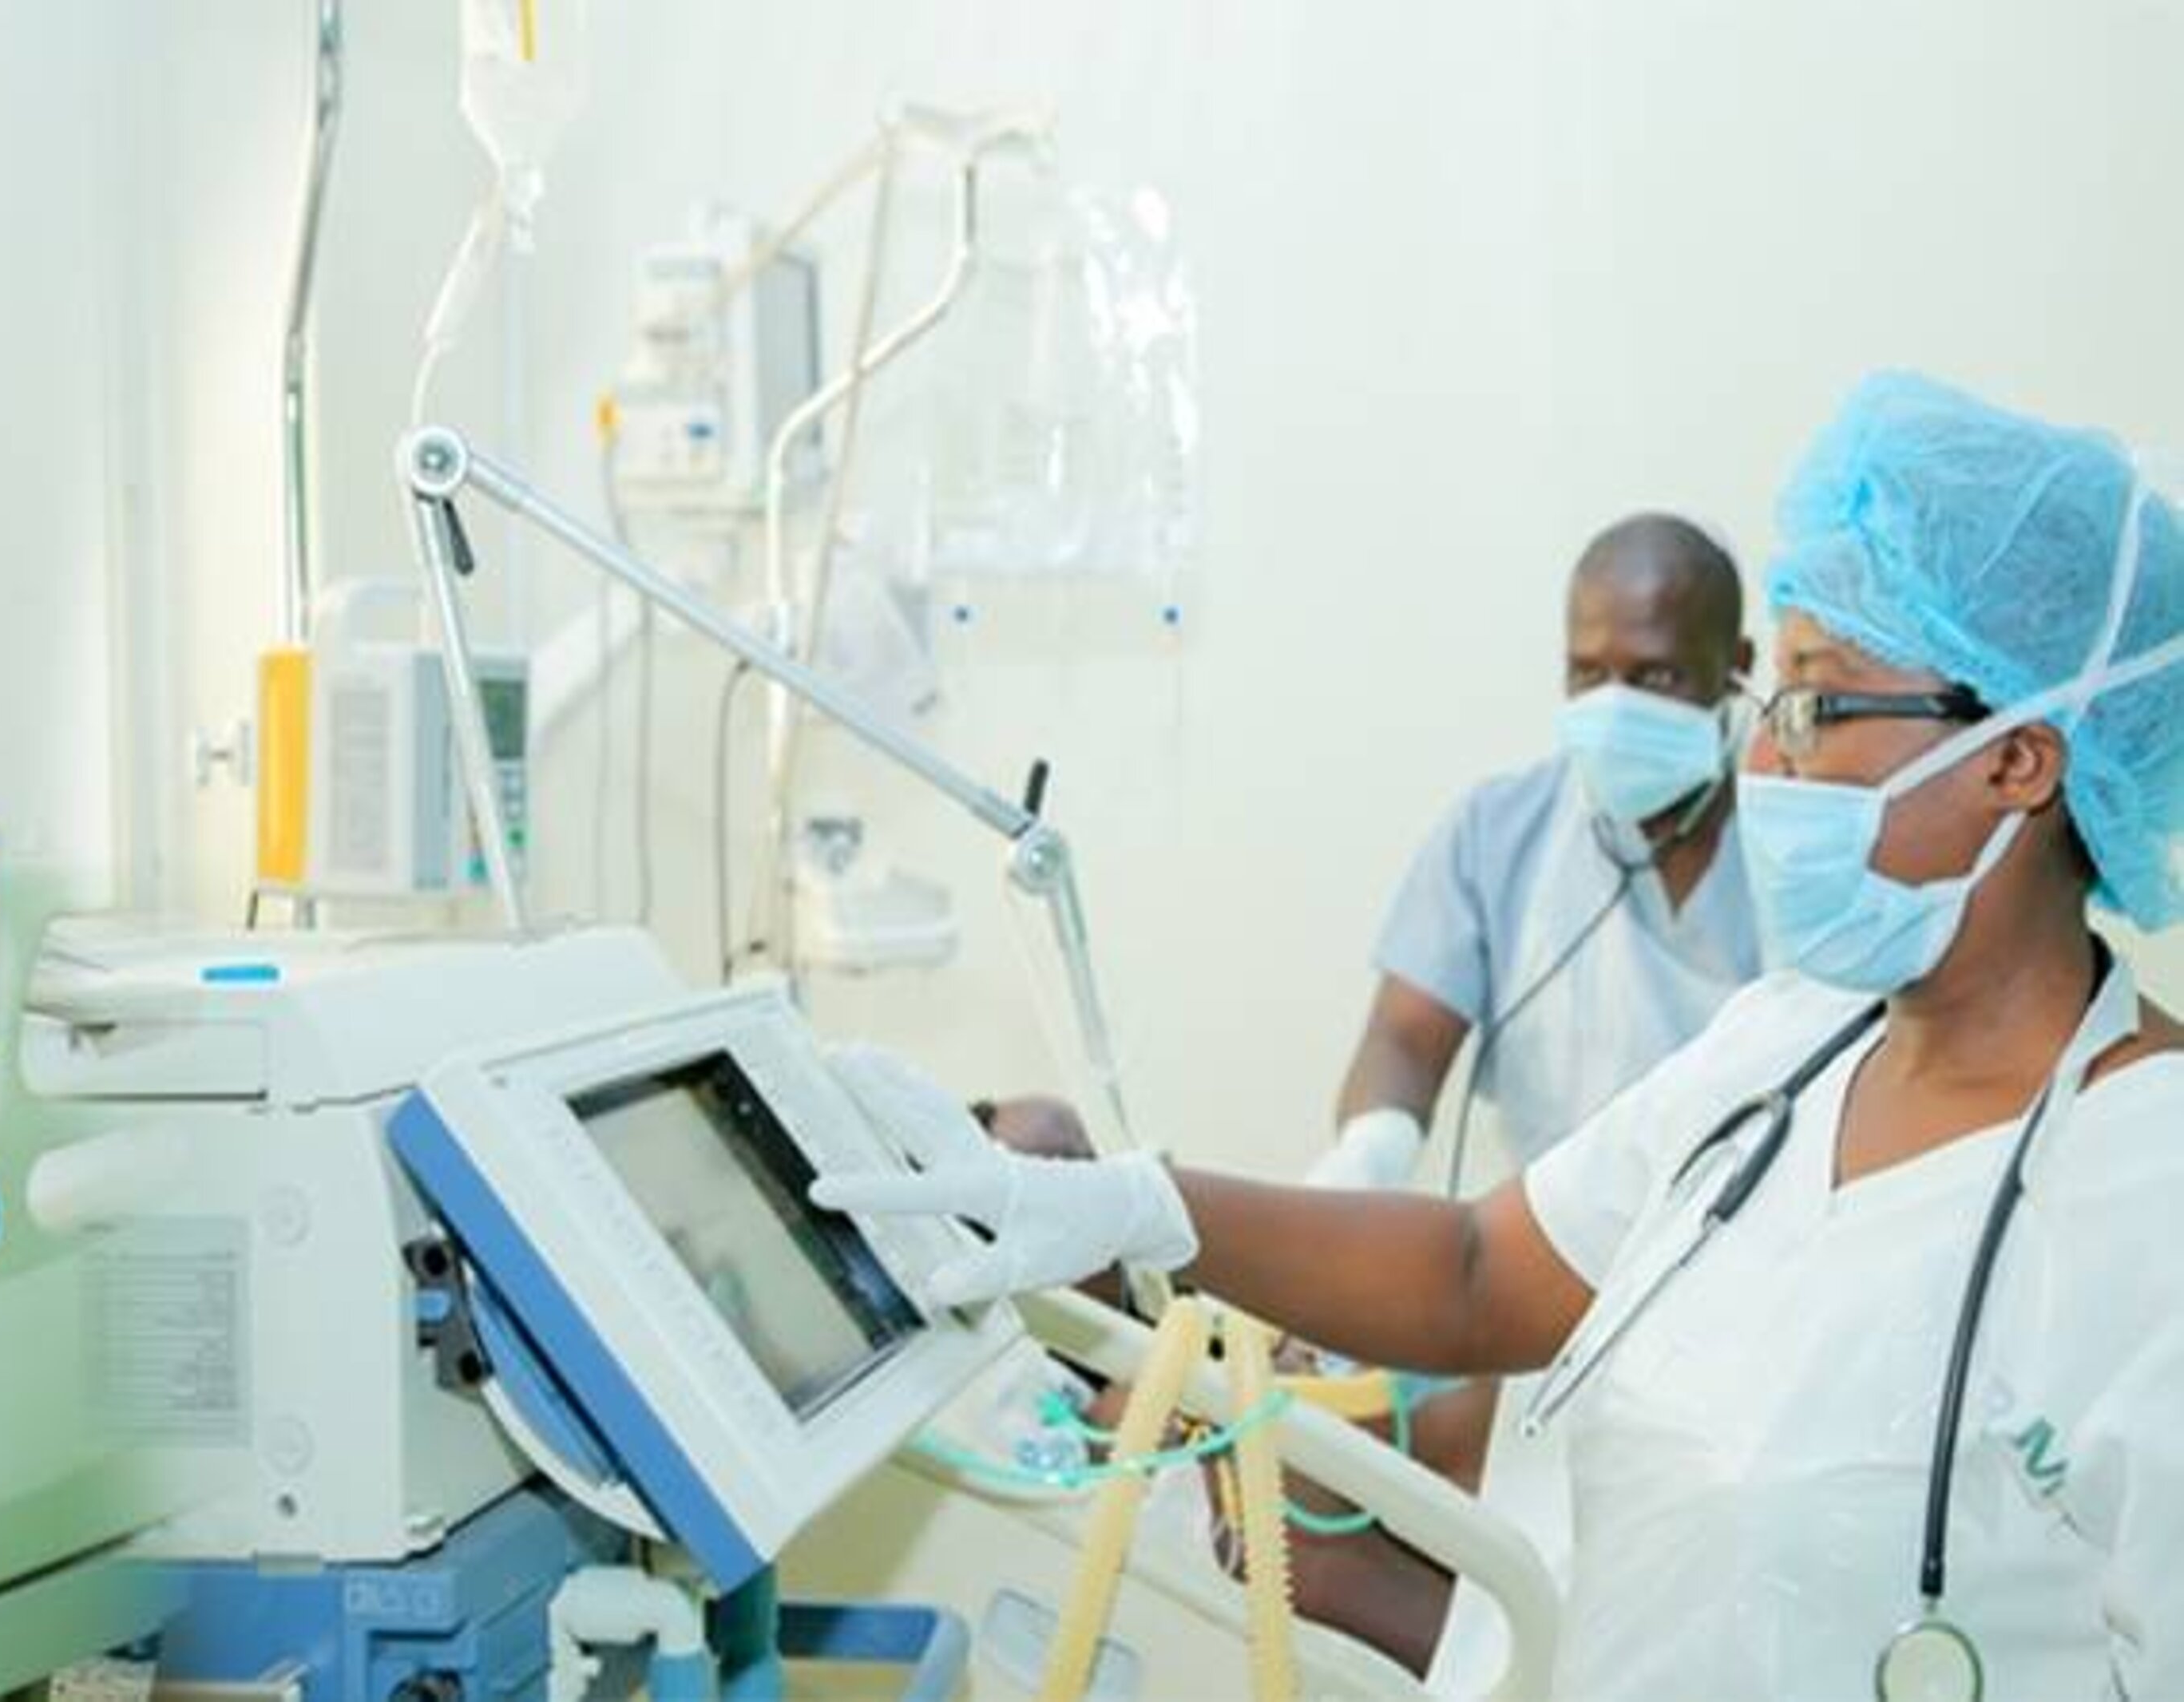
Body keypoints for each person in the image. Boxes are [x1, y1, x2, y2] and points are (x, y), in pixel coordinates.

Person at [819, 371, 2184, 1699]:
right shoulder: (1788, 1048)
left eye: (1818, 704)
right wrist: (1128, 1206)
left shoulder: (2150, 1190)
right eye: (1775, 705)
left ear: (2019, 759)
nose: (1766, 761)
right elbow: (1476, 1271)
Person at [1322, 513, 1759, 1193]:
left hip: (1744, 1235)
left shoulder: (1797, 848)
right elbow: (1404, 1039)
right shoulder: (1497, 833)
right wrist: (1369, 1154)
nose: (1615, 707)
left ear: (1737, 668)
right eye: (1588, 673)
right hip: (1545, 1238)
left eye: (1655, 676)